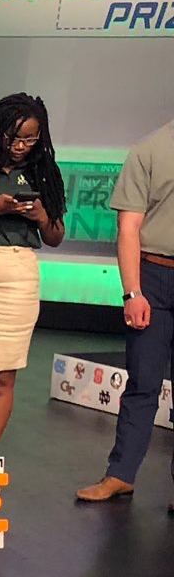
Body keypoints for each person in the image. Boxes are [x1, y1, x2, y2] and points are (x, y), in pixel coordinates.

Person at [76, 117, 174, 506]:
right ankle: (120, 474)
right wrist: (132, 291)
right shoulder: (149, 149)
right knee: (143, 382)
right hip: (154, 275)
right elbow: (129, 226)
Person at [0, 94, 66, 456]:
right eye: (15, 138)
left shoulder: (43, 170)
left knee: (5, 377)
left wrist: (41, 216)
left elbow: (55, 237)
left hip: (21, 278)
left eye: (31, 139)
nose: (22, 147)